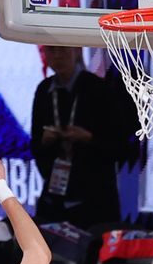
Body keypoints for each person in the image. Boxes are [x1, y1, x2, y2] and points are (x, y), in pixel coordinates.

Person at [30, 45, 138, 228]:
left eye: (63, 50)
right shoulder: (44, 90)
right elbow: (34, 143)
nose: (57, 56)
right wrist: (45, 139)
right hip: (54, 195)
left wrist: (89, 138)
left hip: (95, 199)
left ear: (77, 51)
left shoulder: (100, 89)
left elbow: (122, 147)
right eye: (51, 51)